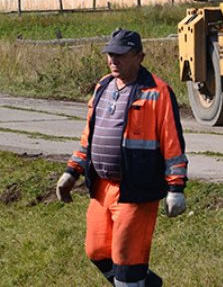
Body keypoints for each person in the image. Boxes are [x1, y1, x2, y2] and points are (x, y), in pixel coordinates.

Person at [55, 28, 188, 286]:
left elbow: (173, 144)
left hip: (137, 190)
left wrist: (176, 188)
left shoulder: (158, 92)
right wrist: (71, 172)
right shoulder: (103, 86)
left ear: (139, 56)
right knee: (97, 250)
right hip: (103, 187)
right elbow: (89, 138)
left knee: (128, 262)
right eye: (109, 55)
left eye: (120, 55)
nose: (113, 60)